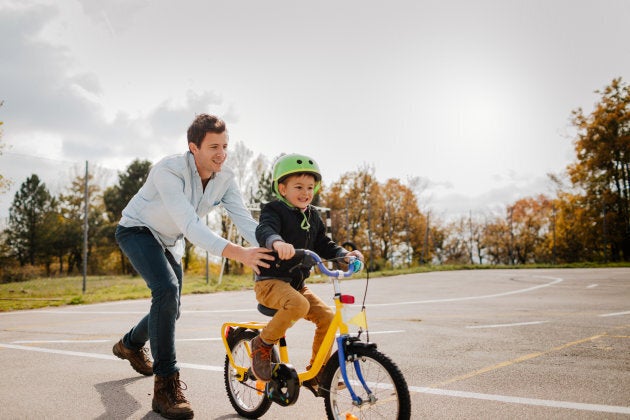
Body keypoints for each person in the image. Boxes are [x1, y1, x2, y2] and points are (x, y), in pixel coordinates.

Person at [112, 114, 273, 420]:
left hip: (169, 240)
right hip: (137, 230)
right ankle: (165, 388)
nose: (221, 153)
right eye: (214, 146)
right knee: (167, 290)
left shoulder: (225, 178)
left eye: (225, 145)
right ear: (193, 147)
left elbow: (245, 220)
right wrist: (239, 253)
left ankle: (130, 344)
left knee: (171, 306)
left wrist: (271, 244)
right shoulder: (169, 170)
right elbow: (189, 223)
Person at [250, 153, 364, 395]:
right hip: (270, 282)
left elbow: (324, 244)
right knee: (299, 304)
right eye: (298, 187)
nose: (305, 192)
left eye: (310, 187)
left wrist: (345, 255)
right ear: (282, 188)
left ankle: (317, 372)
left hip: (296, 285)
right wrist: (276, 241)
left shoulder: (313, 216)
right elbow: (265, 229)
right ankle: (263, 343)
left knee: (329, 318)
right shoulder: (274, 209)